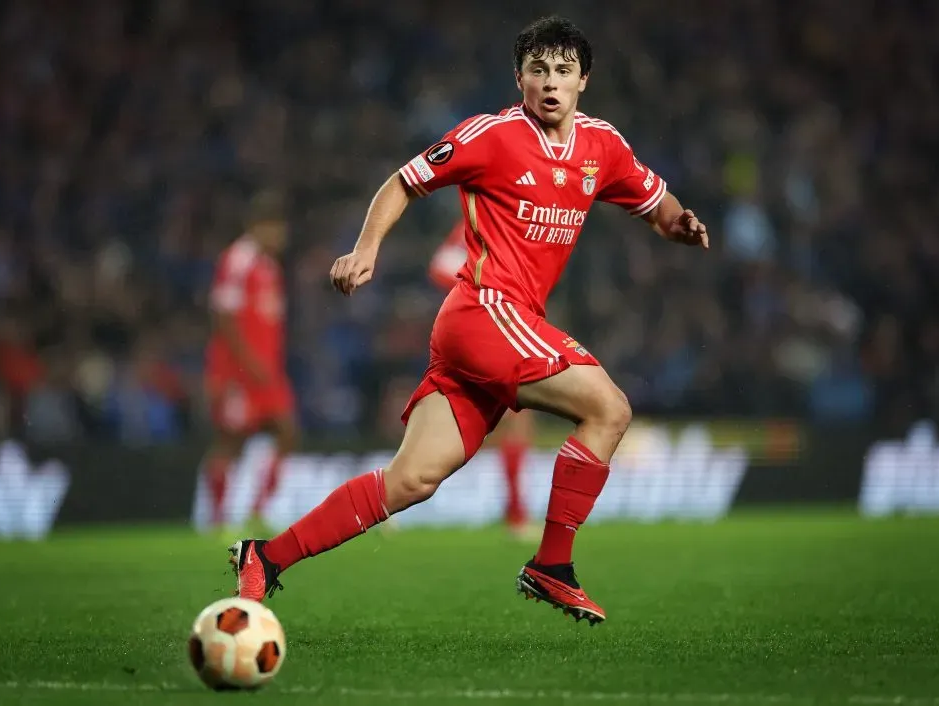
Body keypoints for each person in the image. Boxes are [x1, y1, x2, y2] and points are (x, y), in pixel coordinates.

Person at [229, 16, 708, 626]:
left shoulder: (602, 147)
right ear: (521, 79)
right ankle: (550, 565)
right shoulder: (491, 135)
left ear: (584, 80)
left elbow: (655, 204)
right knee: (608, 408)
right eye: (539, 71)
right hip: (484, 311)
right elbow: (403, 181)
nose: (551, 83)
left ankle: (265, 558)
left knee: (410, 480)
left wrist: (680, 224)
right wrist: (367, 249)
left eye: (564, 71)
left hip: (501, 324)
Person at [429, 218, 538, 540]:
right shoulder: (480, 218)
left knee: (511, 417)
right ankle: (516, 515)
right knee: (506, 418)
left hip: (500, 326)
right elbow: (439, 267)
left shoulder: (519, 219)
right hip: (479, 328)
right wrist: (480, 289)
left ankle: (516, 512)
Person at [201, 190, 298, 532]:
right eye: (273, 228)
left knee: (287, 432)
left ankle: (258, 510)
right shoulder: (237, 260)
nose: (279, 236)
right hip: (238, 372)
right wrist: (245, 362)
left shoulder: (270, 267)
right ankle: (216, 518)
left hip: (266, 372)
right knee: (231, 440)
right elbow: (223, 315)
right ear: (256, 227)